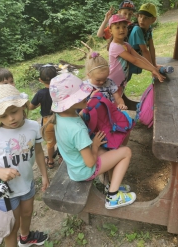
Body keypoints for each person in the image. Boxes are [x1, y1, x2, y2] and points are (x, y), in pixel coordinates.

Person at [42, 73, 136, 209]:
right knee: (126, 152)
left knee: (113, 149)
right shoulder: (77, 130)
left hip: (74, 166)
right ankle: (113, 196)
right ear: (71, 102)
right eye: (82, 95)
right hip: (84, 170)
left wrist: (89, 104)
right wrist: (95, 145)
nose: (87, 95)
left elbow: (78, 117)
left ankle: (110, 184)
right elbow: (90, 162)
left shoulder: (61, 116)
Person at [0, 84, 49, 247]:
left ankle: (25, 238)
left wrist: (44, 175)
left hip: (26, 182)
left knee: (27, 212)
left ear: (23, 106)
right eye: (3, 115)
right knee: (11, 227)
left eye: (14, 111)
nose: (11, 118)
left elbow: (38, 151)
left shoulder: (33, 126)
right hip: (5, 192)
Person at [108, 14, 165, 96]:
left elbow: (139, 57)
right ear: (110, 31)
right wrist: (153, 70)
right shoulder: (115, 47)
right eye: (117, 27)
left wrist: (153, 68)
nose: (121, 30)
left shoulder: (126, 44)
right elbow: (135, 60)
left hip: (120, 82)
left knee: (117, 104)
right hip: (113, 82)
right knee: (114, 104)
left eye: (124, 27)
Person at [29, 64, 62, 169]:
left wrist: (39, 103)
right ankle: (62, 158)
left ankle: (51, 161)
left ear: (40, 80)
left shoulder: (40, 93)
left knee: (50, 143)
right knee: (62, 139)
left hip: (47, 122)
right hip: (60, 118)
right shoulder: (60, 90)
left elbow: (30, 107)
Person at [127, 3, 161, 81]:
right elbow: (145, 51)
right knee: (121, 83)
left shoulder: (148, 29)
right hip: (125, 62)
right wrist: (153, 69)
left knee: (124, 82)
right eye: (140, 16)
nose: (141, 20)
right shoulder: (137, 29)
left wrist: (154, 65)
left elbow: (151, 48)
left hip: (132, 61)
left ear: (153, 19)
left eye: (146, 18)